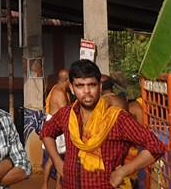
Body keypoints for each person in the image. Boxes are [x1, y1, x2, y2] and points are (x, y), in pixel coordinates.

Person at [41, 60, 164, 189]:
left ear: (99, 87)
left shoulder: (116, 118)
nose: (86, 91)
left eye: (91, 85)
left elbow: (155, 147)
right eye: (80, 86)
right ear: (71, 88)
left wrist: (124, 171)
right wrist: (57, 161)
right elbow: (46, 132)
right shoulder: (66, 115)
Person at [43, 69, 73, 189]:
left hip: (59, 126)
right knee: (55, 158)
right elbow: (66, 112)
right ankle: (45, 185)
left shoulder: (61, 90)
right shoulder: (59, 93)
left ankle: (57, 186)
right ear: (66, 80)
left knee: (59, 158)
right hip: (56, 128)